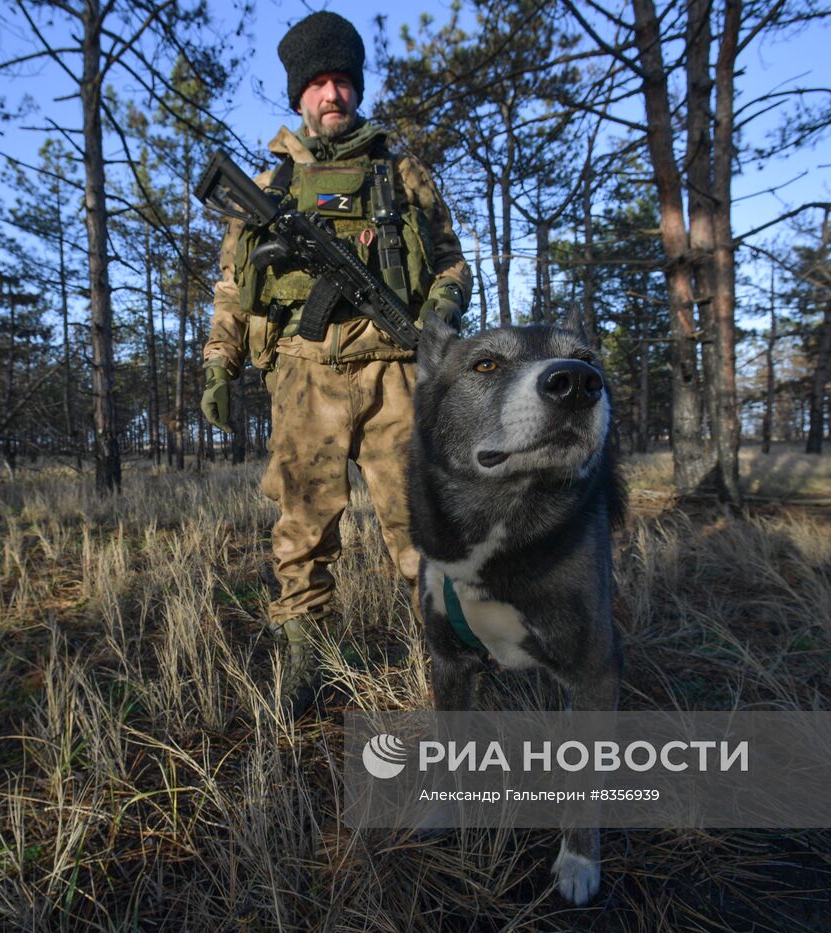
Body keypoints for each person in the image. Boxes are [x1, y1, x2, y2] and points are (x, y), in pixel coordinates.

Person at [200, 10, 471, 710]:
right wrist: (217, 367)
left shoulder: (400, 170)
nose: (332, 94)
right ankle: (306, 659)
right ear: (298, 94)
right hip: (302, 373)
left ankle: (452, 662)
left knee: (421, 524)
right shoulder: (268, 187)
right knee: (302, 524)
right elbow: (233, 290)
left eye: (342, 81)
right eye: (318, 82)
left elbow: (450, 260)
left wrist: (442, 308)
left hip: (394, 372)